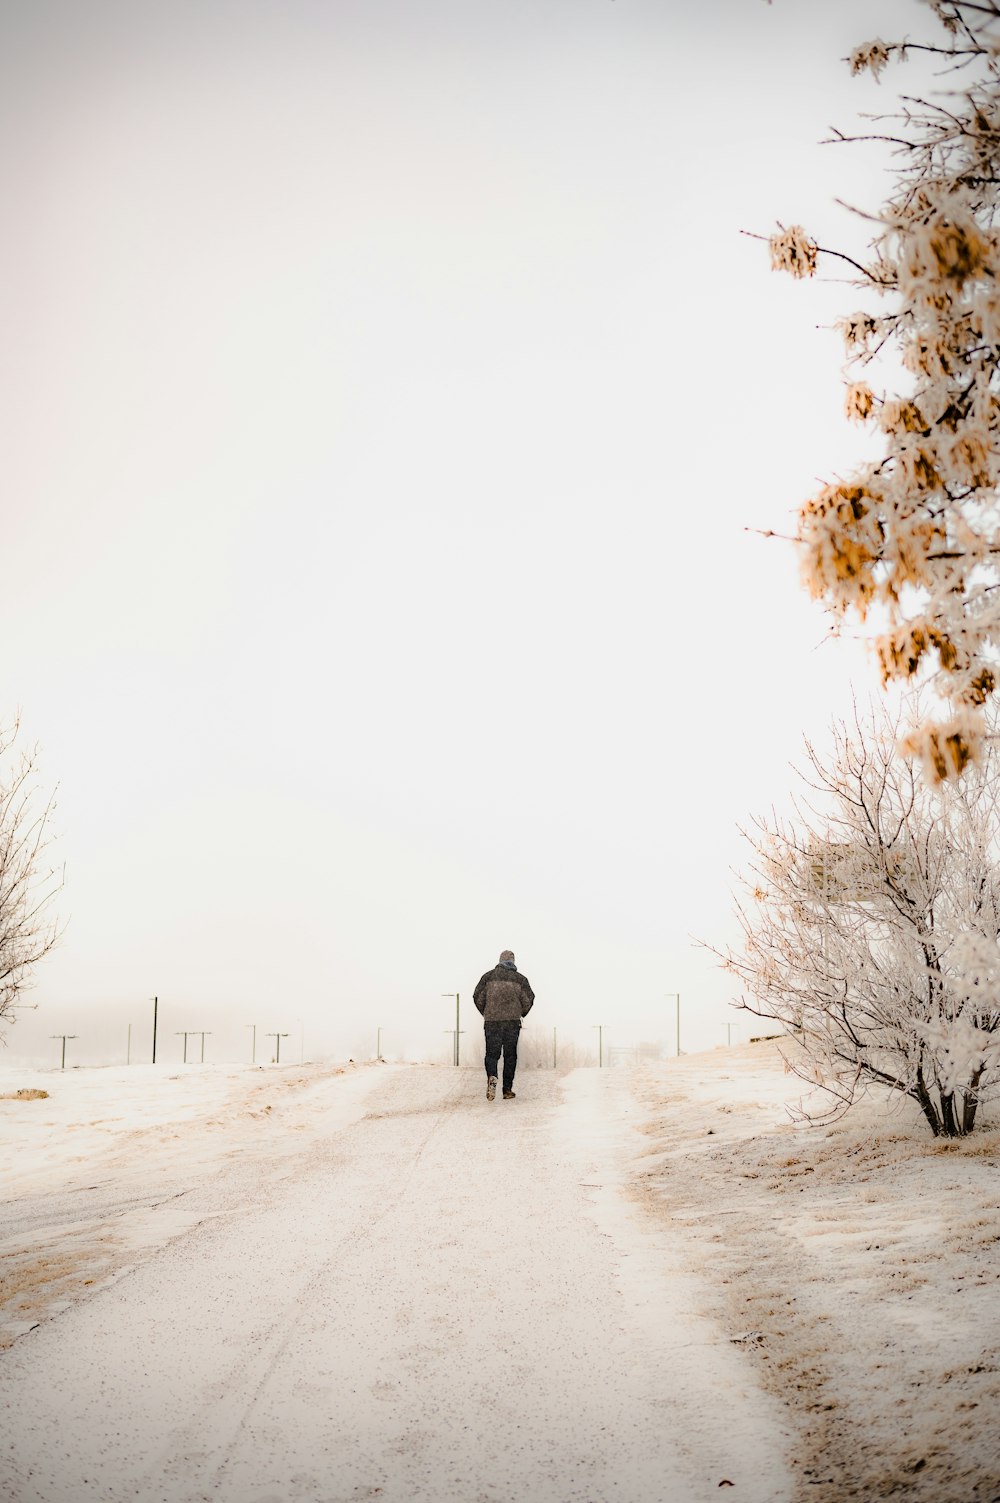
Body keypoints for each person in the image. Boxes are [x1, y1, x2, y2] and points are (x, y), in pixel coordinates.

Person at [473, 949, 534, 1101]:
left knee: (492, 1054)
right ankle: (507, 1089)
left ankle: (492, 1077)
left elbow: (477, 996)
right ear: (513, 961)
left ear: (499, 961)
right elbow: (529, 999)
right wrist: (520, 1012)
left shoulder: (488, 977)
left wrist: (487, 1012)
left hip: (492, 1022)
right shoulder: (520, 979)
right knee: (510, 1056)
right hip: (512, 1023)